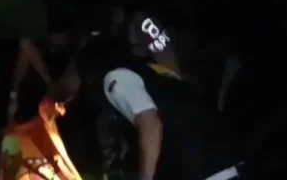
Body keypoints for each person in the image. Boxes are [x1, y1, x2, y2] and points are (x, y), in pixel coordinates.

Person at [77, 17, 244, 180]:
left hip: (203, 167)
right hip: (220, 159)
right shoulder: (153, 75)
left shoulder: (115, 77)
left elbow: (150, 124)